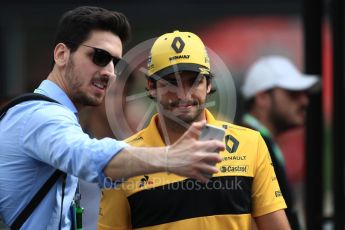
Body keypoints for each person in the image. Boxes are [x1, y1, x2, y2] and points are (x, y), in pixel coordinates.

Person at [0, 7, 225, 229]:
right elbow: (86, 156)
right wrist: (170, 157)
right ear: (61, 55)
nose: (110, 72)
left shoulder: (53, 114)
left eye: (114, 62)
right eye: (100, 57)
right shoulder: (40, 115)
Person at [98, 30, 291, 230]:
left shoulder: (250, 144)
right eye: (171, 82)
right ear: (151, 86)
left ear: (208, 85)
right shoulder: (123, 158)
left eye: (194, 81)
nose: (183, 94)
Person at [240, 55, 319, 229]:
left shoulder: (254, 142)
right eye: (292, 93)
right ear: (262, 98)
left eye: (303, 94)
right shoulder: (248, 146)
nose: (304, 101)